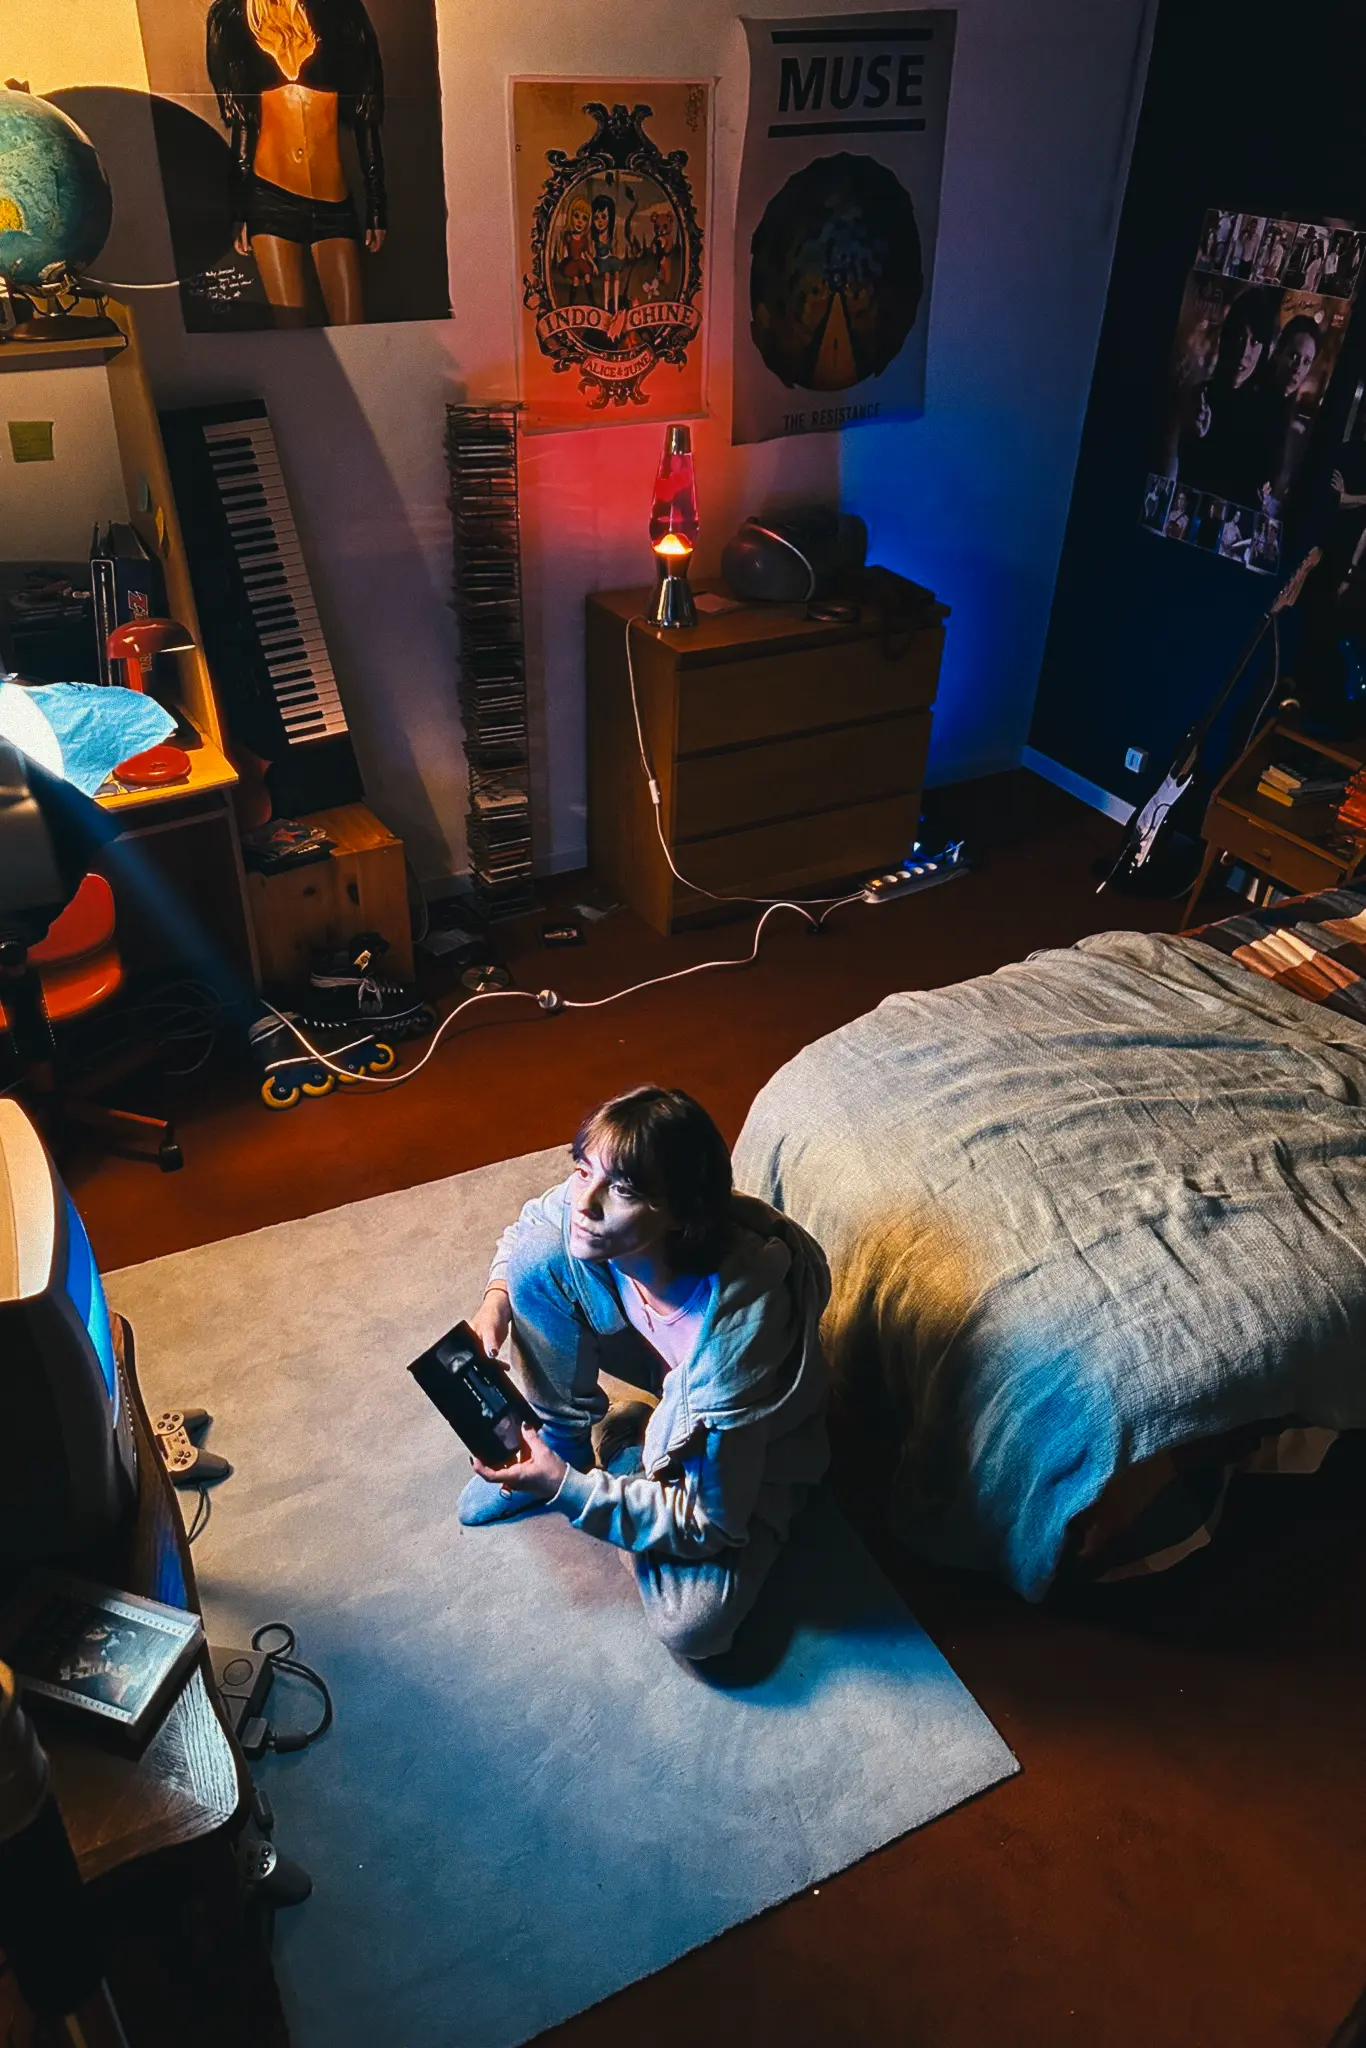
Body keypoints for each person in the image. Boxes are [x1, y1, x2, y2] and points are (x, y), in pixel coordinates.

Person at [458, 1086, 832, 1662]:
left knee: (694, 1627)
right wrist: (497, 1300)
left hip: (744, 1437)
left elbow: (708, 1526)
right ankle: (565, 1439)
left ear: (683, 1210)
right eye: (583, 1172)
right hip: (668, 1377)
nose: (586, 1201)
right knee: (539, 1256)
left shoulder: (734, 1346)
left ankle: (624, 1452)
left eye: (623, 1189)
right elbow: (532, 1226)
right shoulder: (588, 1209)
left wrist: (566, 1491)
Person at [207, 0, 386, 328]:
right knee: (291, 337)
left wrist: (377, 206)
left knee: (355, 334)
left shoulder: (341, 14)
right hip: (270, 197)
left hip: (333, 203)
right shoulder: (237, 20)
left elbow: (366, 116)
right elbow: (244, 124)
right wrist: (240, 209)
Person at [1176, 288, 1278, 499]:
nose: (1244, 353)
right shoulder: (1201, 396)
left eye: (1255, 342)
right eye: (1240, 337)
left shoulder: (1266, 413)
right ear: (1227, 338)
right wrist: (1198, 437)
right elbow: (1183, 477)